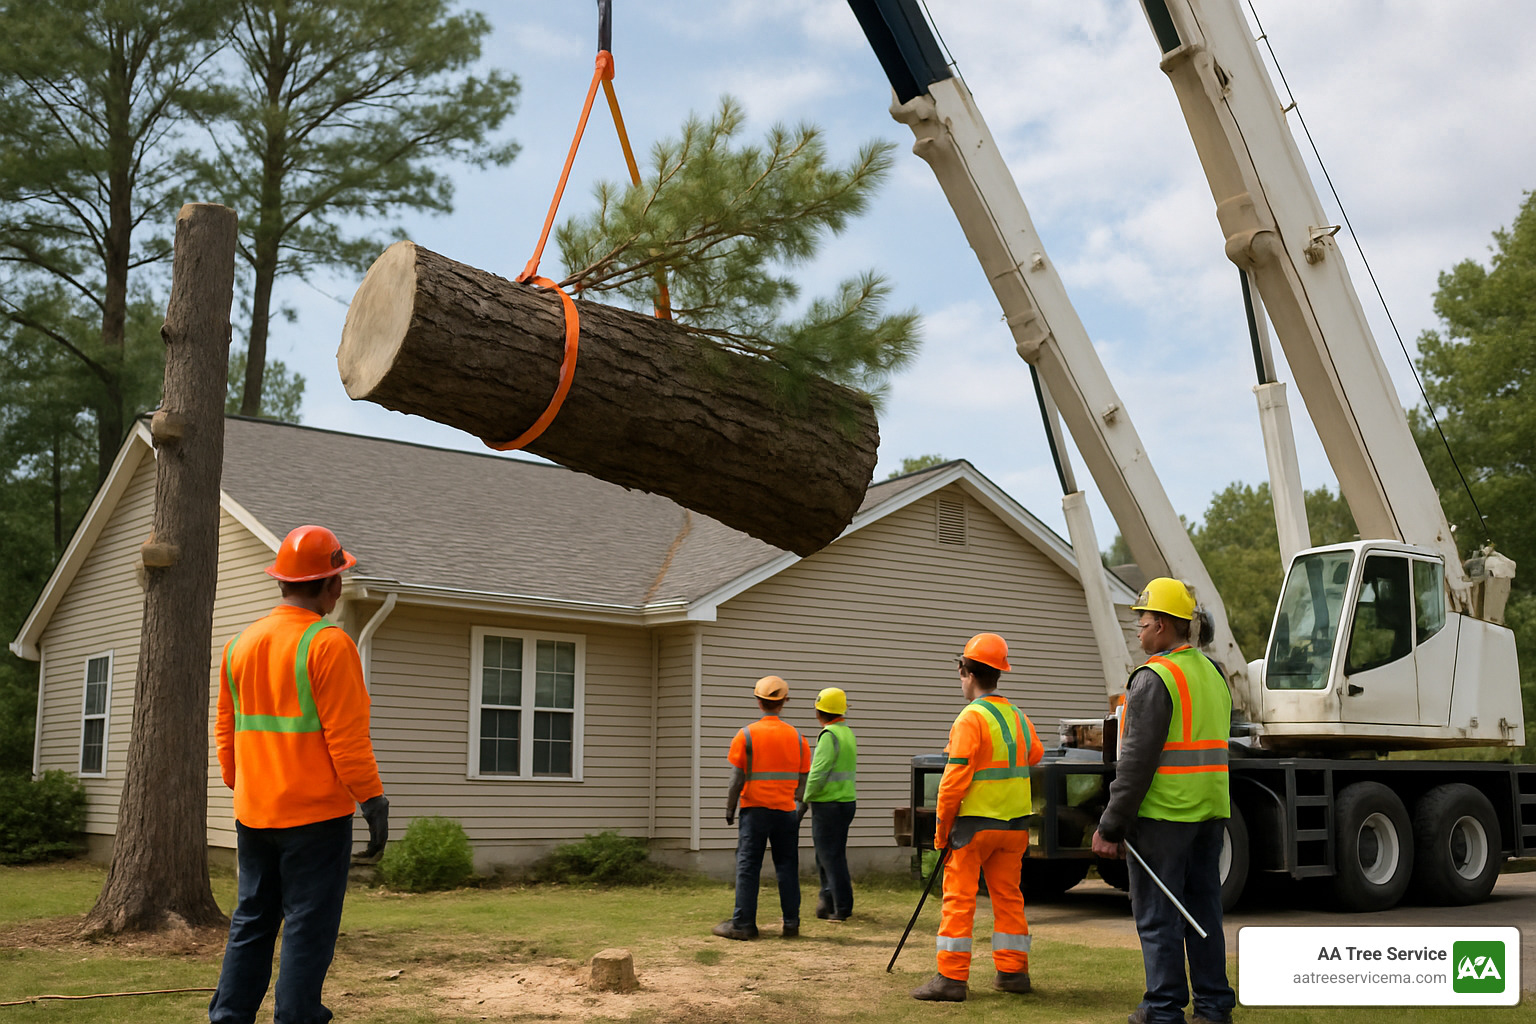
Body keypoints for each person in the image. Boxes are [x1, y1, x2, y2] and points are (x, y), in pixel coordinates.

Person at [210, 525, 390, 1024]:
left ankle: (229, 1017)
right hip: (315, 819)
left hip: (255, 814)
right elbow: (347, 740)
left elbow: (226, 730)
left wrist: (242, 783)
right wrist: (372, 799)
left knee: (252, 920)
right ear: (331, 584)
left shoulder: (240, 644)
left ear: (282, 581)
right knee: (308, 926)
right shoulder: (328, 644)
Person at [1091, 578, 1236, 1024]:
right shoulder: (1213, 673)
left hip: (1164, 816)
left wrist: (1110, 825)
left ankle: (1162, 1008)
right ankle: (1213, 1006)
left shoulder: (1154, 677)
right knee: (1203, 911)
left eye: (1143, 621)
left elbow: (1136, 762)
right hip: (1210, 812)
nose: (1138, 630)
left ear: (1164, 625)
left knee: (1158, 916)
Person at [912, 633, 1044, 1003]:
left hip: (974, 826)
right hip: (1015, 825)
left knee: (959, 899)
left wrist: (941, 831)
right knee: (1009, 898)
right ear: (999, 673)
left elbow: (952, 783)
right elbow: (1035, 754)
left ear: (966, 672)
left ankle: (951, 979)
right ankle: (1013, 973)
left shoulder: (970, 718)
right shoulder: (1018, 716)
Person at [713, 675, 811, 941]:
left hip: (754, 811)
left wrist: (730, 809)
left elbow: (736, 779)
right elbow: (804, 781)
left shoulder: (746, 735)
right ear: (784, 701)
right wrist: (800, 810)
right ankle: (791, 924)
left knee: (748, 866)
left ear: (758, 701)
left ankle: (743, 924)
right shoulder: (798, 738)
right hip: (786, 812)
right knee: (787, 866)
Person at [800, 686, 857, 922]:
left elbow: (818, 773)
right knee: (831, 855)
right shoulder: (847, 733)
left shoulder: (828, 735)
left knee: (829, 857)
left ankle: (842, 907)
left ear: (819, 712)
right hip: (846, 802)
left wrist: (804, 799)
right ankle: (827, 902)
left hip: (828, 804)